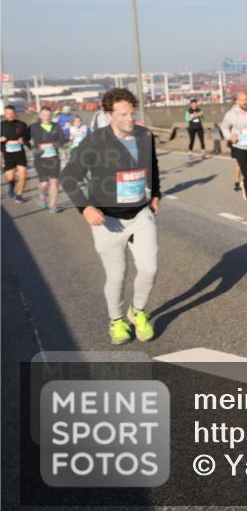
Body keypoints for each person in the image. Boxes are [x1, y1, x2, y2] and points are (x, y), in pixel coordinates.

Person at [60, 88, 160, 345]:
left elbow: (153, 166)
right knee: (118, 275)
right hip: (108, 220)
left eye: (132, 112)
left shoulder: (144, 136)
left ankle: (137, 312)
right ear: (108, 115)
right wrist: (85, 208)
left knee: (149, 269)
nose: (130, 118)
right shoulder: (94, 143)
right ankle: (116, 320)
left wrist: (157, 193)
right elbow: (69, 177)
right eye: (123, 113)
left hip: (140, 214)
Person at [29, 106, 67, 212]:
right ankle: (42, 195)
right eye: (44, 115)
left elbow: (62, 140)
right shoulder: (34, 127)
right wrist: (34, 147)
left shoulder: (56, 126)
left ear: (51, 116)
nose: (47, 117)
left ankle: (52, 205)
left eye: (49, 115)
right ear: (40, 116)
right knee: (44, 184)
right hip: (40, 159)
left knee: (54, 183)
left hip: (54, 158)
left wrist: (58, 145)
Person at [1, 105, 29, 203]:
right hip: (7, 155)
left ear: (15, 113)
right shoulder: (1, 125)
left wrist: (24, 139)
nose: (11, 115)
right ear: (5, 114)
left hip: (20, 153)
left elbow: (27, 136)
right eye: (9, 113)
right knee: (10, 177)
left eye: (13, 113)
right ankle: (11, 185)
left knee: (23, 174)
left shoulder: (22, 124)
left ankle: (19, 195)